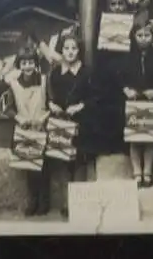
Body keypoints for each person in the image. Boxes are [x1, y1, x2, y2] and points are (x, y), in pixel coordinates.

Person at [47, 31, 98, 218]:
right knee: (63, 162)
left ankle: (79, 202)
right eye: (66, 48)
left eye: (74, 48)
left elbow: (95, 97)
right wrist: (52, 105)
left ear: (79, 51)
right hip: (62, 123)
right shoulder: (56, 74)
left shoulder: (86, 72)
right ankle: (66, 202)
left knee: (79, 161)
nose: (70, 52)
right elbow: (50, 96)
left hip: (82, 122)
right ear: (61, 51)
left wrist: (80, 106)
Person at [119, 18, 153, 188]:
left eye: (147, 35)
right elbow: (118, 78)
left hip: (152, 101)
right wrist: (126, 89)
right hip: (132, 100)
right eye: (139, 35)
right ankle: (136, 172)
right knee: (134, 137)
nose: (143, 38)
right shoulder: (126, 56)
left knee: (150, 137)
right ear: (133, 36)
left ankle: (147, 171)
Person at [2, 45, 50, 217]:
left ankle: (45, 202)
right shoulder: (13, 85)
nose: (27, 66)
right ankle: (33, 200)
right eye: (24, 63)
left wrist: (44, 118)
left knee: (44, 168)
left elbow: (51, 102)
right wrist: (20, 119)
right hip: (24, 131)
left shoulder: (44, 80)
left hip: (42, 130)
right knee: (29, 169)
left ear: (36, 64)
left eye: (31, 62)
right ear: (19, 65)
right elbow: (7, 108)